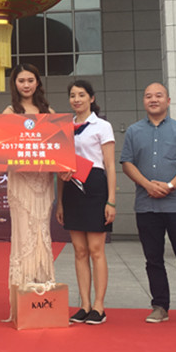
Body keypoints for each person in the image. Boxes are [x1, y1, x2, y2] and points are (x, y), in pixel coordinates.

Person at [119, 82, 176, 325]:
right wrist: (147, 185)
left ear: (168, 101)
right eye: (148, 96)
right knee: (153, 259)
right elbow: (127, 163)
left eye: (158, 95)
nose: (153, 99)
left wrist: (169, 186)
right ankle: (160, 306)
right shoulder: (134, 131)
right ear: (144, 101)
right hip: (146, 205)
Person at [55, 80, 116, 325]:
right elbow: (60, 167)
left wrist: (111, 201)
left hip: (95, 187)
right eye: (72, 95)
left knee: (96, 250)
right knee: (79, 251)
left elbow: (110, 165)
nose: (76, 99)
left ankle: (99, 306)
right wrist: (60, 202)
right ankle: (84, 304)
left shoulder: (102, 126)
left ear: (91, 98)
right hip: (71, 189)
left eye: (81, 95)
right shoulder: (64, 128)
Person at [2, 64, 57, 311]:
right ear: (15, 84)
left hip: (43, 181)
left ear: (38, 83)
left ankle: (43, 293)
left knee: (42, 233)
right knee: (24, 233)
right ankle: (22, 296)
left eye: (30, 80)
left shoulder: (48, 112)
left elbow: (59, 147)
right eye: (21, 80)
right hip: (20, 182)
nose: (26, 85)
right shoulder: (9, 112)